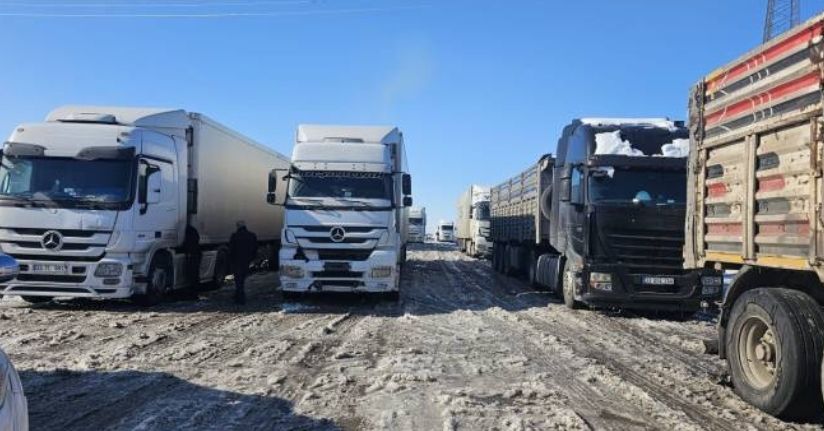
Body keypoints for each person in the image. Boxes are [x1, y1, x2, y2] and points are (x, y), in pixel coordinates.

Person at [228, 220, 257, 305]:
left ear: (238, 226)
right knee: (242, 279)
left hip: (237, 261)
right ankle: (238, 295)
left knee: (238, 279)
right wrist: (251, 258)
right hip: (246, 261)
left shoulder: (234, 236)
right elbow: (255, 248)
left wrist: (231, 260)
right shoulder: (252, 235)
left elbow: (231, 249)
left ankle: (240, 297)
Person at [184, 224, 202, 295]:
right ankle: (195, 290)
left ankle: (194, 291)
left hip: (194, 254)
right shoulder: (192, 231)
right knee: (195, 273)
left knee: (193, 273)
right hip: (196, 254)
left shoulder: (189, 231)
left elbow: (189, 244)